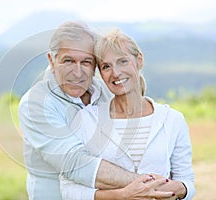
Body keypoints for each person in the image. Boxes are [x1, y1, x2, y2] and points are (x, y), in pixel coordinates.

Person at [18, 21, 175, 199]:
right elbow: (76, 164)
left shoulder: (107, 91)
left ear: (96, 65)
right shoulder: (35, 104)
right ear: (52, 61)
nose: (77, 73)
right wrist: (152, 186)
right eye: (68, 61)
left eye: (86, 62)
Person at [59, 28, 195, 199]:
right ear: (100, 73)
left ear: (139, 60)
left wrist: (180, 189)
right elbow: (68, 188)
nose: (115, 73)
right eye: (106, 66)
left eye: (122, 61)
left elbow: (187, 181)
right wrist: (120, 195)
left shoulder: (172, 119)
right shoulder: (86, 119)